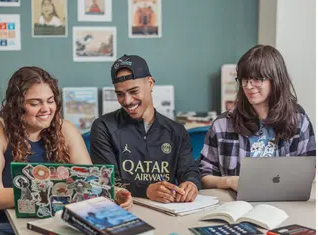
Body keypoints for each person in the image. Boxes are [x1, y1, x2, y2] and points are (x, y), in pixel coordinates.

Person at [0, 66, 132, 235]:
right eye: (35, 103)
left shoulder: (65, 129)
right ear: (15, 105)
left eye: (50, 100)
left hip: (52, 223)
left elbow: (89, 181)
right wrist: (56, 191)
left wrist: (113, 193)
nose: (46, 109)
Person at [200, 45, 316, 191]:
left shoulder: (298, 120)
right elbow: (203, 175)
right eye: (244, 79)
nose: (248, 86)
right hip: (236, 206)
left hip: (284, 206)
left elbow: (308, 171)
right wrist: (229, 181)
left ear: (276, 80)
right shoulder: (223, 124)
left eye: (257, 79)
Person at [90, 54, 201, 203]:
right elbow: (106, 180)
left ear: (150, 83)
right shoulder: (103, 127)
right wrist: (146, 190)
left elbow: (189, 170)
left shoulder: (177, 131)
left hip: (168, 210)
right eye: (120, 94)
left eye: (134, 91)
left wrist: (191, 183)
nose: (127, 101)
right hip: (124, 209)